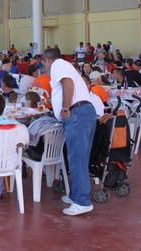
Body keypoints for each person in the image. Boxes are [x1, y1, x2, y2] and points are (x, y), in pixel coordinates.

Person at [43, 47, 96, 216]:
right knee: (78, 157)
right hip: (82, 113)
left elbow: (68, 83)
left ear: (48, 60)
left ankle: (82, 201)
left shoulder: (58, 65)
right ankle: (75, 194)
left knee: (77, 159)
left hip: (76, 112)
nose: (44, 66)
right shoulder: (66, 66)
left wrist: (65, 108)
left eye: (43, 62)